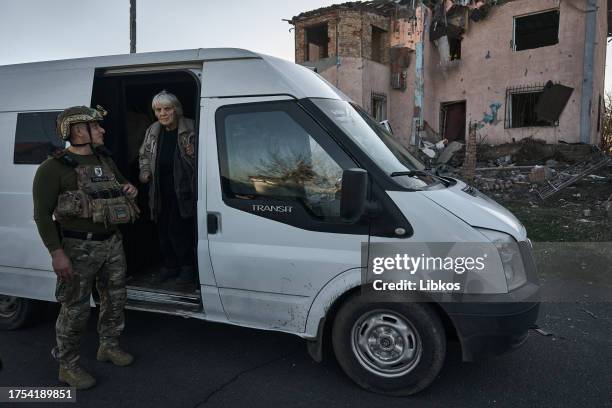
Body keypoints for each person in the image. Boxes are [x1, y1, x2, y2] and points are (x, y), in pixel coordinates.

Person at [32, 106, 139, 390]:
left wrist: (129, 189)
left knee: (115, 299)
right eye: (96, 127)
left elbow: (122, 183)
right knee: (75, 309)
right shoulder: (52, 168)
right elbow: (42, 215)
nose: (102, 130)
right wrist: (57, 253)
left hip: (112, 243)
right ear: (78, 131)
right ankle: (67, 366)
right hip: (78, 248)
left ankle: (109, 345)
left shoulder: (104, 159)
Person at [138, 91, 196, 285]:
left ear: (176, 109)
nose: (163, 113)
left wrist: (193, 154)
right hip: (159, 191)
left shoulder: (191, 127)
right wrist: (145, 172)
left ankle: (187, 268)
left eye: (167, 109)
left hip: (183, 191)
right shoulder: (153, 130)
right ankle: (171, 266)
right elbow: (144, 155)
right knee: (162, 231)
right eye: (158, 110)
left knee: (178, 231)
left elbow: (204, 158)